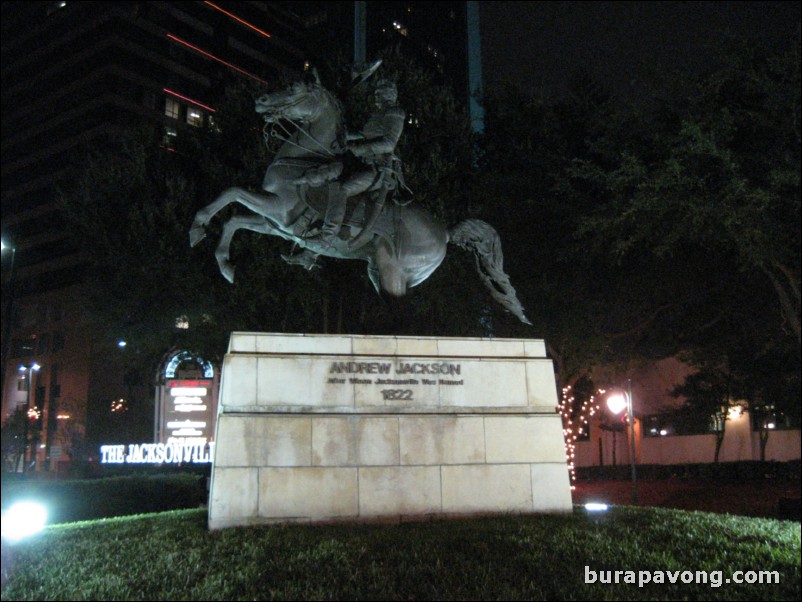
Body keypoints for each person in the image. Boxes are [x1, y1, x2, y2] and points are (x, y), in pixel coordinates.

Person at [283, 75, 408, 269]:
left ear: (390, 94)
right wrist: (346, 136)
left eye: (380, 92)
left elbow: (388, 143)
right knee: (327, 180)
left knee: (343, 189)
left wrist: (357, 148)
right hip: (362, 163)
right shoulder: (378, 114)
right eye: (375, 93)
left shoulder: (395, 112)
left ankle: (326, 238)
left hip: (379, 170)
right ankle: (309, 253)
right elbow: (366, 135)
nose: (376, 96)